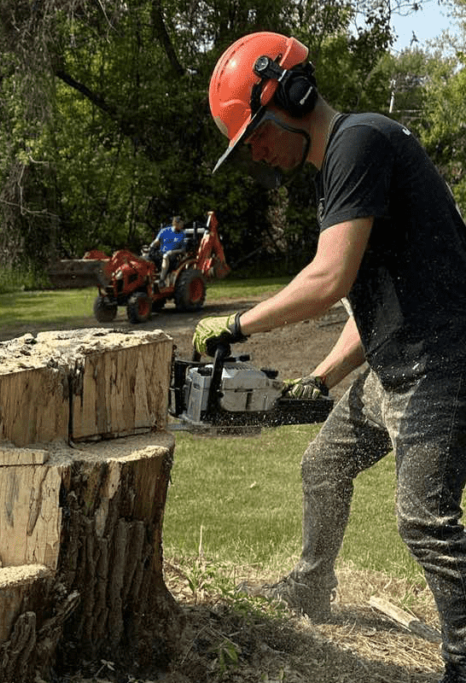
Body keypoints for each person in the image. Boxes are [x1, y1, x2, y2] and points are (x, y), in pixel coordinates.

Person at [194, 31, 466, 683]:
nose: (256, 150)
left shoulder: (359, 142)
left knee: (425, 520)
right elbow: (370, 300)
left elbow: (328, 279)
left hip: (443, 364)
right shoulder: (341, 168)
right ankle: (312, 585)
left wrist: (234, 323)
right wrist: (321, 378)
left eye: (257, 132)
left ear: (293, 94)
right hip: (395, 364)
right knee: (325, 462)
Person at [149, 215, 186, 285]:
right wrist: (150, 247)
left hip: (173, 256)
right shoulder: (164, 231)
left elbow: (183, 250)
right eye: (181, 223)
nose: (183, 224)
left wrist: (172, 252)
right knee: (146, 256)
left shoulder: (182, 234)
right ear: (176, 222)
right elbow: (156, 242)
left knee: (165, 256)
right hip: (161, 253)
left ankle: (161, 280)